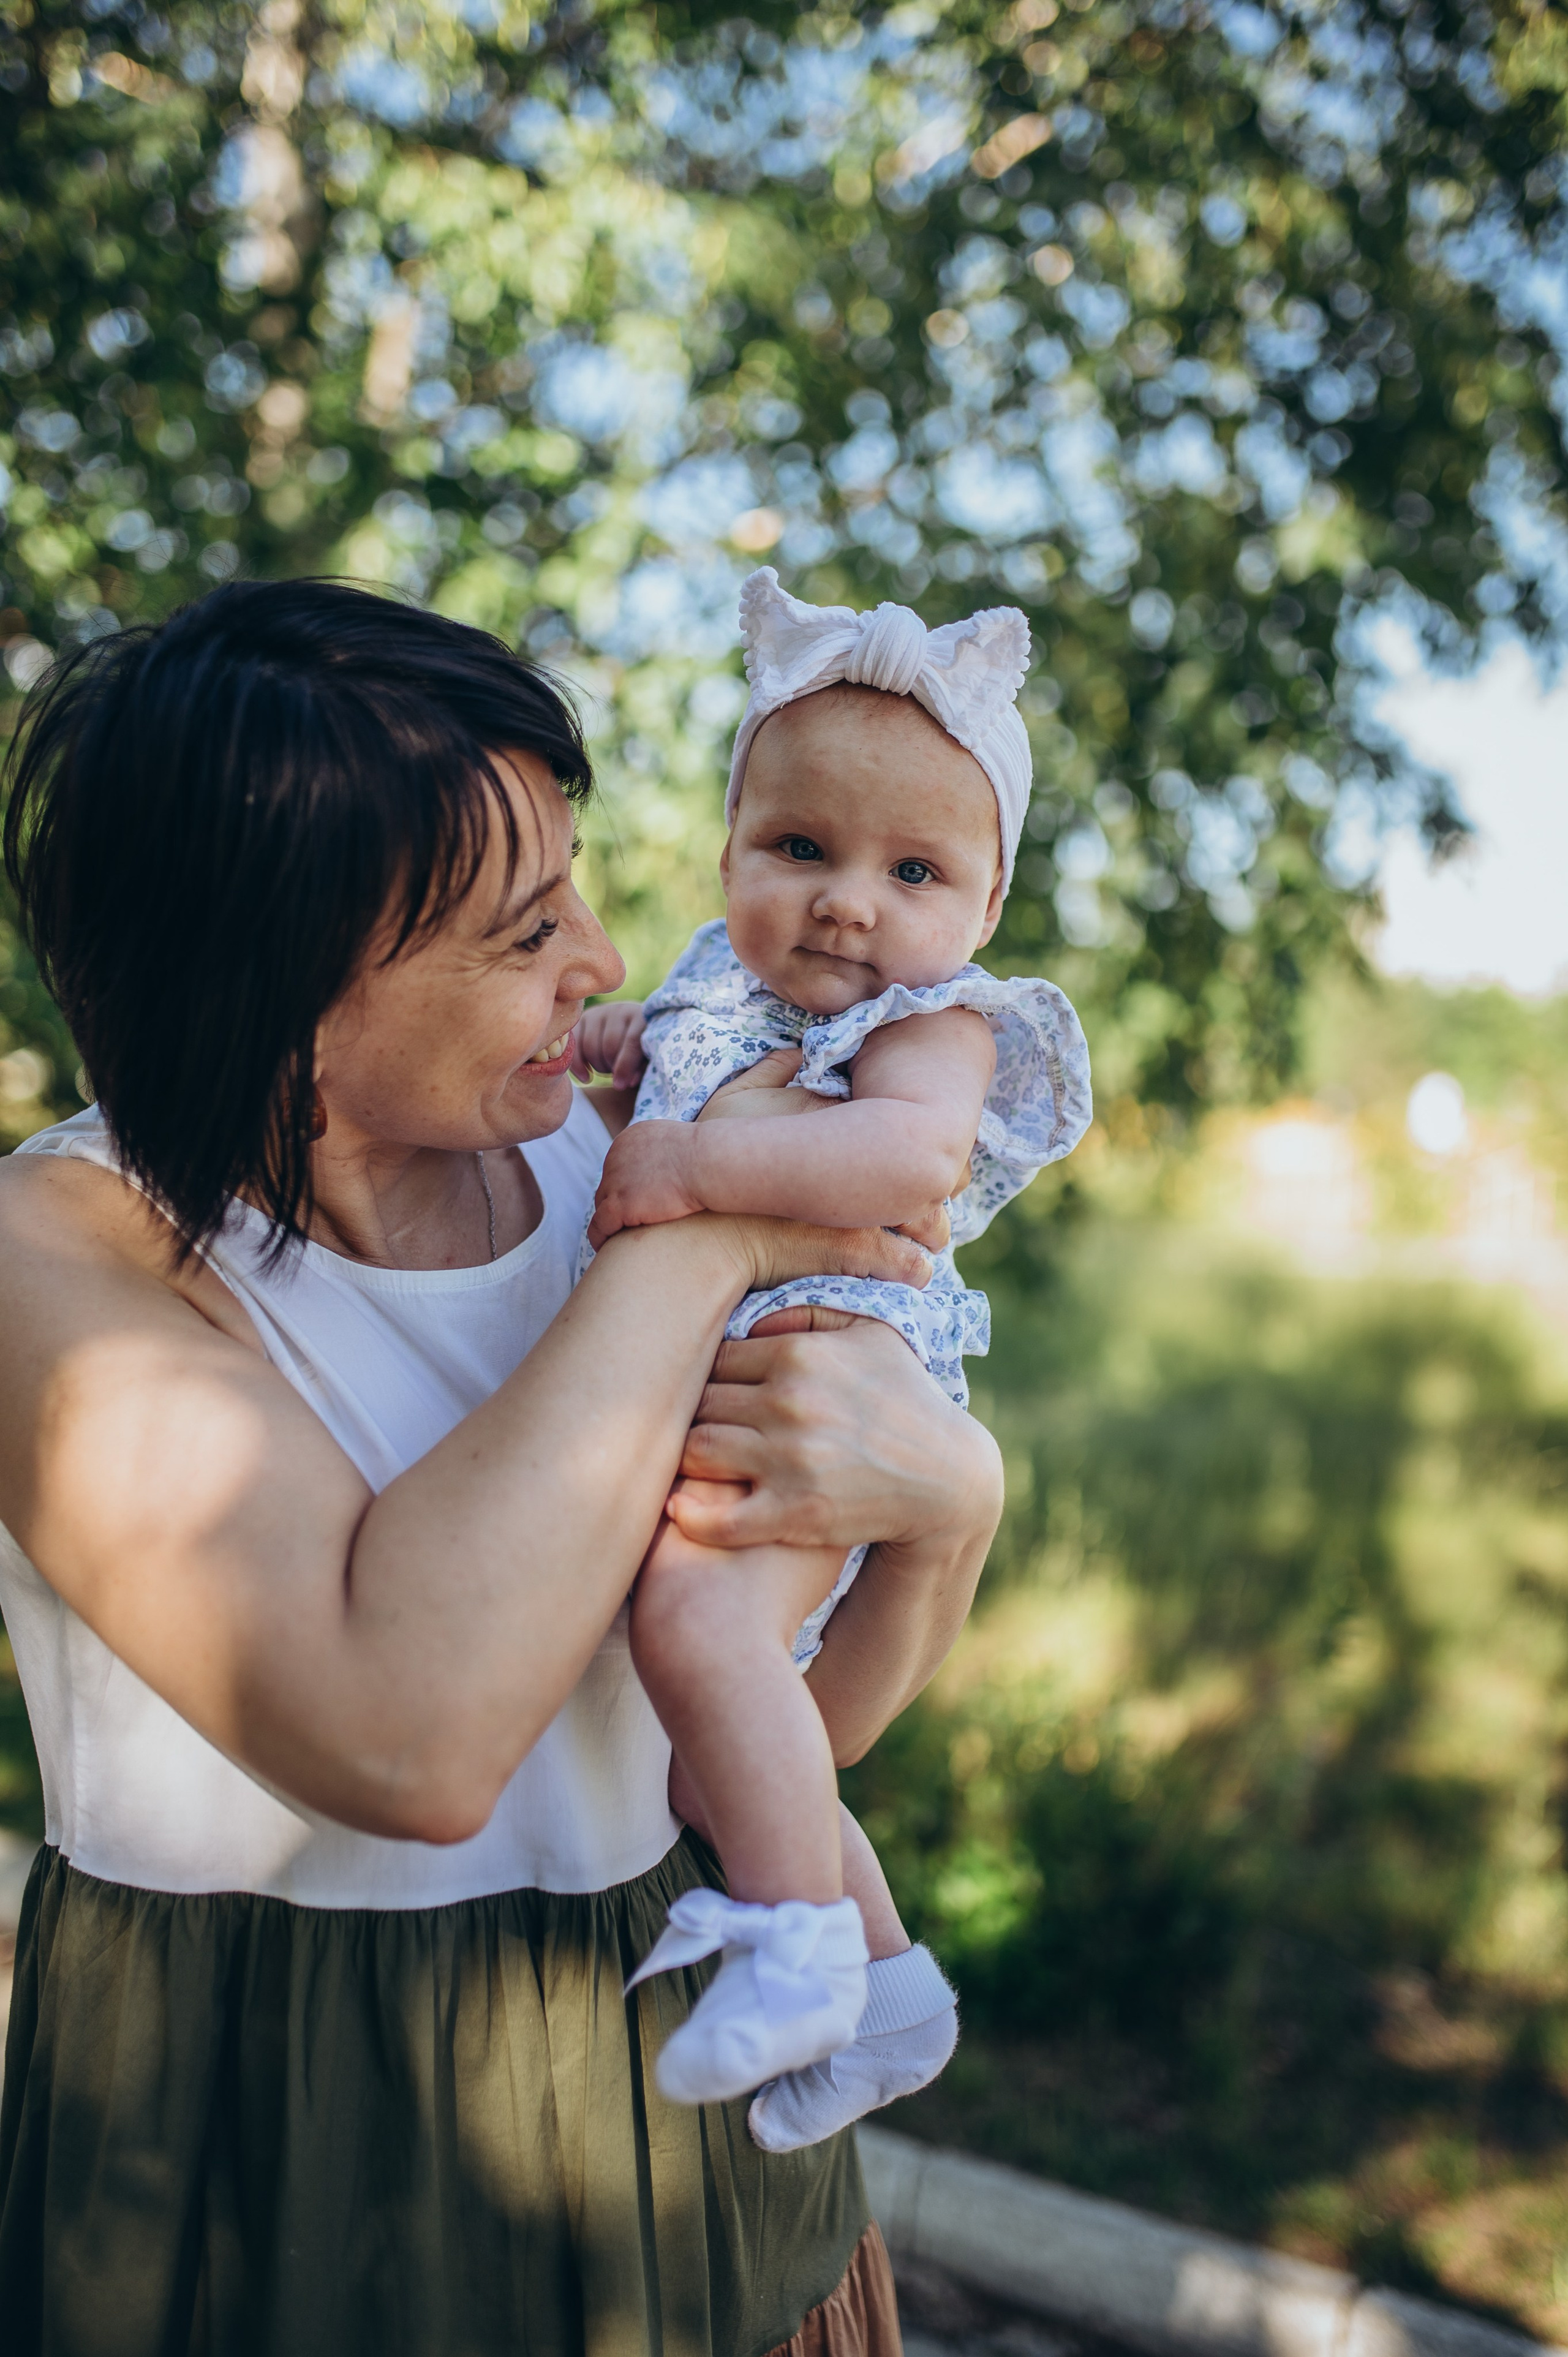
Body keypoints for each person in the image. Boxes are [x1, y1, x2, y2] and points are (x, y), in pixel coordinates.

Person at [0, 580, 1004, 2357]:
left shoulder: (602, 1148)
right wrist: (714, 1232)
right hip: (303, 2156)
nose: (604, 962)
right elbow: (411, 1736)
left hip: (695, 2136)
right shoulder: (62, 1254)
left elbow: (780, 1743)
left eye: (579, 887)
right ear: (278, 984)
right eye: (524, 929)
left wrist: (952, 1518)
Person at [573, 569, 1091, 2149]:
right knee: (717, 1765)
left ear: (983, 909)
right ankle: (884, 1985)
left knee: (696, 1628)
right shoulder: (714, 987)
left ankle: (795, 1954)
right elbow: (663, 1065)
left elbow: (905, 1163)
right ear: (729, 849)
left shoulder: (941, 1022)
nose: (849, 902)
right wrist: (622, 1052)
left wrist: (687, 1166)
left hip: (828, 1373)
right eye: (800, 848)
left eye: (912, 869)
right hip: (746, 1378)